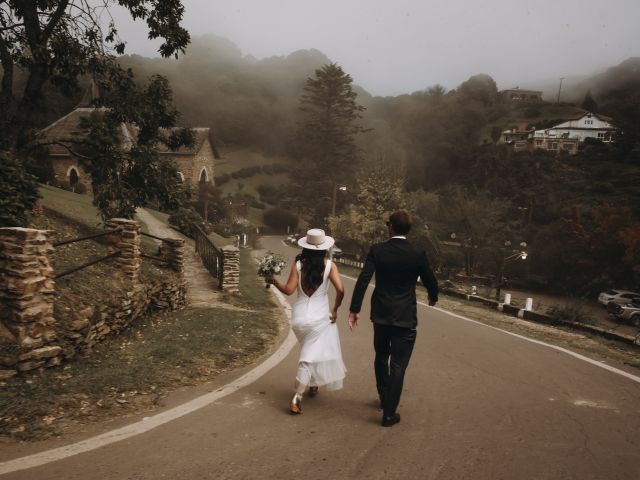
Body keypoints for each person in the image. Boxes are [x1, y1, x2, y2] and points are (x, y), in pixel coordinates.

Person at [348, 210, 438, 427]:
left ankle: (383, 396)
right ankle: (389, 413)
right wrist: (433, 296)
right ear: (408, 229)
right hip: (405, 316)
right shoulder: (418, 253)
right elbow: (430, 280)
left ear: (391, 227)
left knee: (381, 355)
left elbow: (363, 280)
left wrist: (354, 309)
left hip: (381, 314)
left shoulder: (377, 250)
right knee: (398, 364)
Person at [268, 229, 347, 415]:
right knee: (308, 357)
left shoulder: (298, 265)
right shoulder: (329, 266)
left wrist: (273, 282)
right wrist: (334, 310)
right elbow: (341, 290)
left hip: (299, 318)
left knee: (312, 350)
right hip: (320, 318)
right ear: (323, 248)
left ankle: (313, 383)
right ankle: (297, 397)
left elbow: (288, 290)